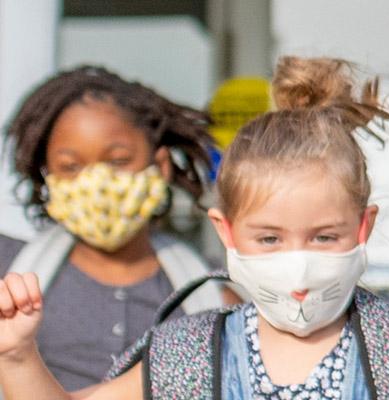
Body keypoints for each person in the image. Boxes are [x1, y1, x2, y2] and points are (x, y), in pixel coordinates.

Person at [0, 56, 389, 399]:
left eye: (323, 237)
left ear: (364, 227)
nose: (297, 263)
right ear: (226, 233)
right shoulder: (189, 354)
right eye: (270, 239)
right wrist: (18, 355)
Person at [0, 66, 226, 391]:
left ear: (160, 166)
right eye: (70, 167)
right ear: (47, 175)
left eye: (118, 161)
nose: (97, 183)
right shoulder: (10, 276)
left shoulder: (217, 291)